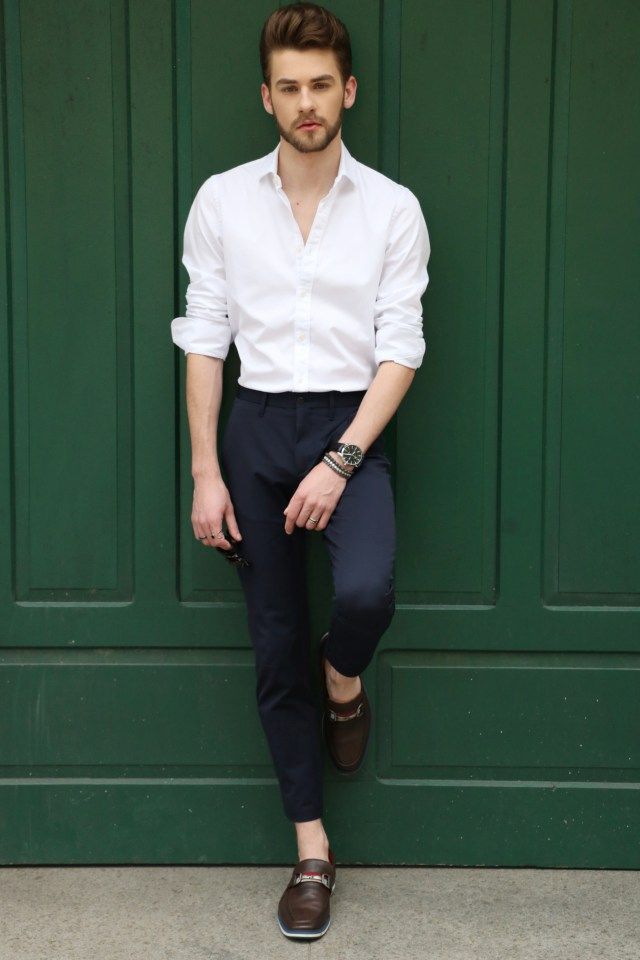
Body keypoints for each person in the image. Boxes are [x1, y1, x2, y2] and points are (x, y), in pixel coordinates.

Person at [170, 1, 431, 941]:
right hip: (256, 429)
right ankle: (312, 852)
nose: (307, 102)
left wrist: (341, 459)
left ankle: (344, 681)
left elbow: (401, 347)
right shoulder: (222, 201)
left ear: (348, 90)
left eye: (322, 85)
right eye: (290, 87)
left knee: (363, 593)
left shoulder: (392, 208)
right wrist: (207, 471)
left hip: (350, 422)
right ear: (267, 97)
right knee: (274, 640)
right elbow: (205, 338)